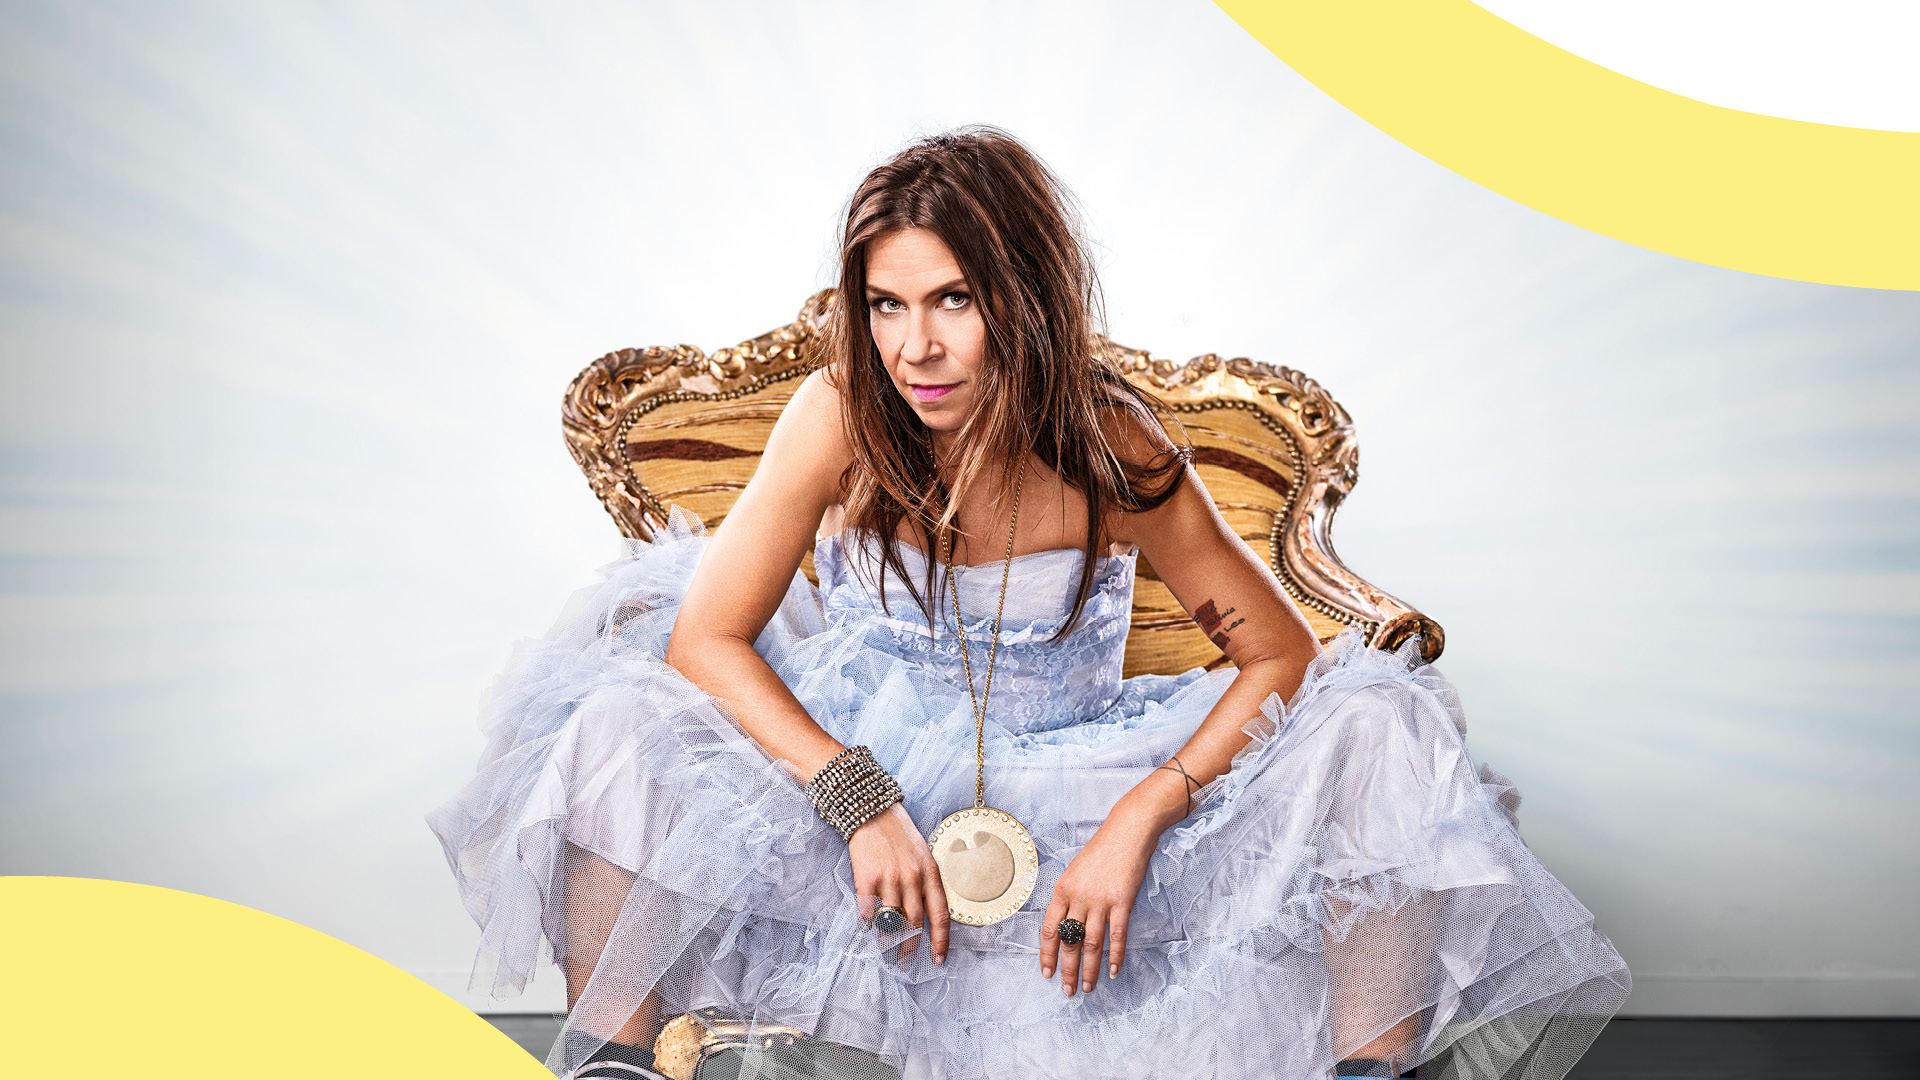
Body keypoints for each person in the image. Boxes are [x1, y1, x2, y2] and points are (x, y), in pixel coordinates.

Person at [425, 125, 1631, 1080]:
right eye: (887, 304)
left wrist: (1146, 812)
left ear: (1023, 295)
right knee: (617, 724)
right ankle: (620, 1071)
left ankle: (1374, 1073)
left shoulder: (1112, 442)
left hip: (1077, 782)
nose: (917, 347)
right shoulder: (839, 415)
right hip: (863, 788)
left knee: (1385, 718)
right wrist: (855, 797)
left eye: (952, 299)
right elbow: (707, 637)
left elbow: (1279, 655)